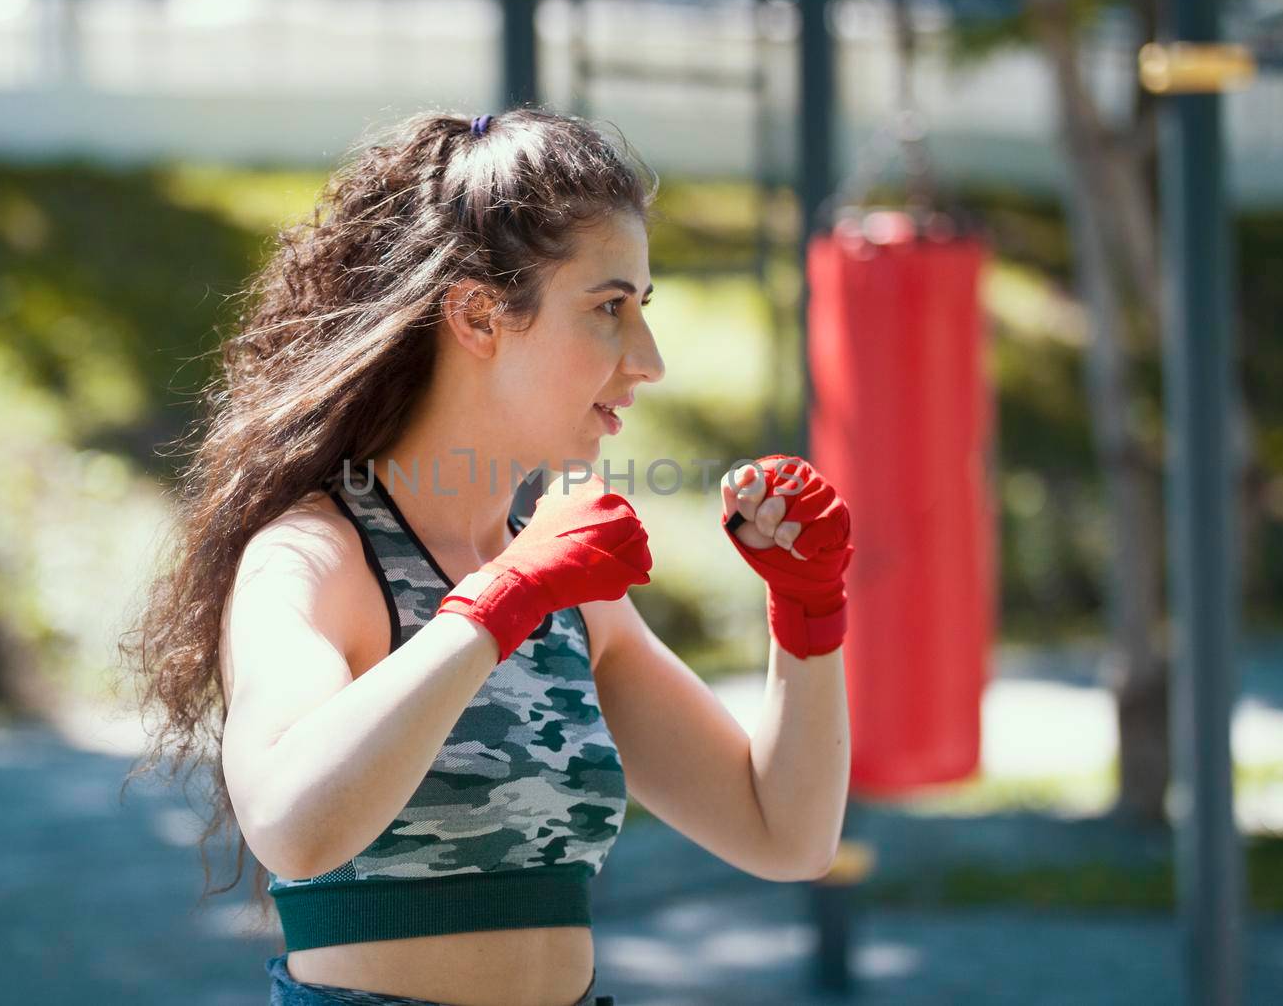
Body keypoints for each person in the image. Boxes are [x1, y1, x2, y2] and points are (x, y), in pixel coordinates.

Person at [119, 107, 855, 1006]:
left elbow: (785, 832)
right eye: (609, 308)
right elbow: (289, 821)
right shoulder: (313, 555)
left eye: (642, 309)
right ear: (476, 314)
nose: (650, 359)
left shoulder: (561, 582)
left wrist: (809, 611)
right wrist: (500, 598)